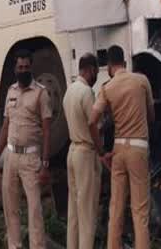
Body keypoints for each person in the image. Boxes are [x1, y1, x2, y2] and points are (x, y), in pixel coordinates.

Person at [89, 45, 154, 249]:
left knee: (116, 208)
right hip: (138, 148)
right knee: (140, 211)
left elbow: (92, 121)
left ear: (109, 66)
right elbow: (152, 116)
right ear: (125, 63)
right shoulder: (141, 81)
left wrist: (101, 152)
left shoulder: (107, 88)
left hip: (118, 150)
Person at [0, 50, 52, 249]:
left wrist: (45, 164)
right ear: (15, 69)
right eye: (20, 67)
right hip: (11, 157)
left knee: (34, 210)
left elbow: (47, 130)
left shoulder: (41, 93)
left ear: (31, 67)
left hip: (31, 158)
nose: (23, 70)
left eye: (26, 67)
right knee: (11, 209)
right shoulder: (11, 91)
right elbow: (6, 125)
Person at [63, 53, 102, 249]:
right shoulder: (87, 92)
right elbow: (93, 124)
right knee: (87, 211)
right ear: (90, 69)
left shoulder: (69, 91)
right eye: (95, 70)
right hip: (86, 152)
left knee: (74, 211)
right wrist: (102, 151)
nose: (96, 75)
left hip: (72, 151)